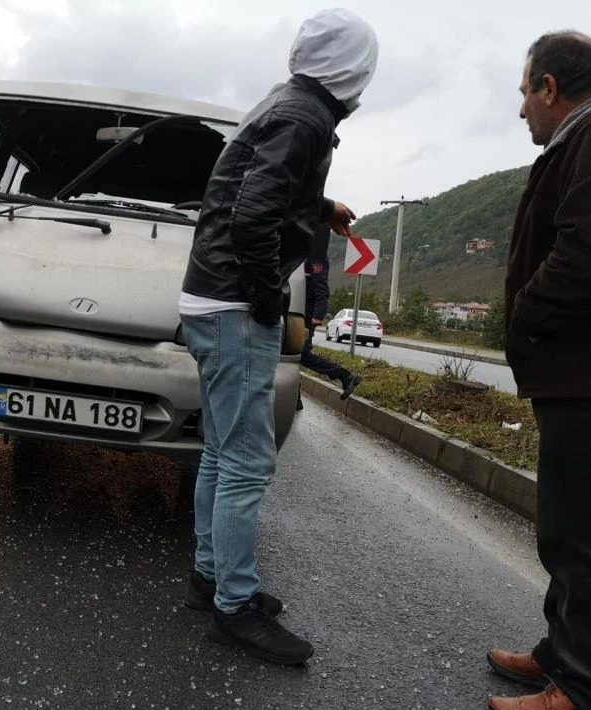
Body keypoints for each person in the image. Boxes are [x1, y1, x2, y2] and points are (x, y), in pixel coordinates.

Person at [178, 8, 378, 666]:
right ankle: (234, 606)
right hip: (234, 303)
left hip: (210, 297)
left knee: (220, 451)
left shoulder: (288, 103)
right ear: (352, 66)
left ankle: (211, 578)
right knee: (247, 462)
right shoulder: (305, 116)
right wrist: (267, 298)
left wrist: (321, 207)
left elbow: (248, 182)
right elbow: (254, 210)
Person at [486, 31, 591, 710]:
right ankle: (561, 657)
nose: (522, 111)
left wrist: (527, 315)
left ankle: (587, 699)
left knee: (590, 540)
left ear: (550, 87)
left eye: (524, 92)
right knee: (569, 528)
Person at [300, 224, 362, 399]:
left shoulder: (317, 260)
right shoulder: (307, 259)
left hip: (307, 316)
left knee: (301, 354)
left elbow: (322, 290)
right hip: (301, 314)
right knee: (294, 354)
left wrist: (318, 316)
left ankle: (346, 375)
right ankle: (296, 399)